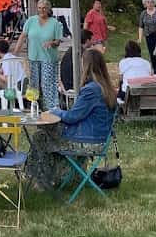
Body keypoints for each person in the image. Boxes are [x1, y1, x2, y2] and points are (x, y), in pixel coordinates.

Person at [26, 48, 117, 190]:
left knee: (41, 137)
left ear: (86, 65)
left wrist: (56, 111)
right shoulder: (107, 88)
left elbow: (72, 117)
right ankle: (59, 177)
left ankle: (40, 181)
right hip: (100, 140)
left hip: (87, 142)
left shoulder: (91, 90)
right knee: (46, 135)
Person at [14, 0, 63, 110]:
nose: (42, 10)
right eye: (39, 8)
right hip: (33, 57)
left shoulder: (55, 23)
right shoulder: (31, 21)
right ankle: (34, 108)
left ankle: (52, 109)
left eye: (44, 8)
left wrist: (51, 43)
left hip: (48, 58)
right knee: (34, 85)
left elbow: (58, 42)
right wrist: (15, 52)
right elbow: (23, 36)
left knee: (47, 85)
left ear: (48, 9)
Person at [59, 29, 93, 95]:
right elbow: (86, 73)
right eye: (92, 39)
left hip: (66, 85)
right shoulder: (81, 54)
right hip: (74, 86)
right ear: (87, 40)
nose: (93, 42)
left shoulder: (71, 50)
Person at [137, 0, 156, 71]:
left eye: (151, 2)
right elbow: (141, 26)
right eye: (148, 2)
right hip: (148, 35)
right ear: (145, 4)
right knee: (152, 53)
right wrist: (140, 38)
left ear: (154, 3)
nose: (150, 4)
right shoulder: (143, 13)